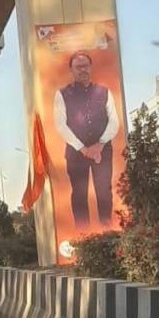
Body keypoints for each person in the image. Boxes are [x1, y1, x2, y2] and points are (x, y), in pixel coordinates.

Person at [54, 50, 120, 229]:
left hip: (102, 151)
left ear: (90, 68)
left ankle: (107, 232)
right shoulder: (62, 94)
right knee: (79, 194)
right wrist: (83, 149)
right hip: (76, 153)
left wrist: (99, 145)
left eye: (85, 66)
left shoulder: (104, 92)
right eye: (78, 67)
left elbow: (114, 122)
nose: (82, 70)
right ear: (71, 70)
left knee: (104, 193)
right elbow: (61, 126)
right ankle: (83, 236)